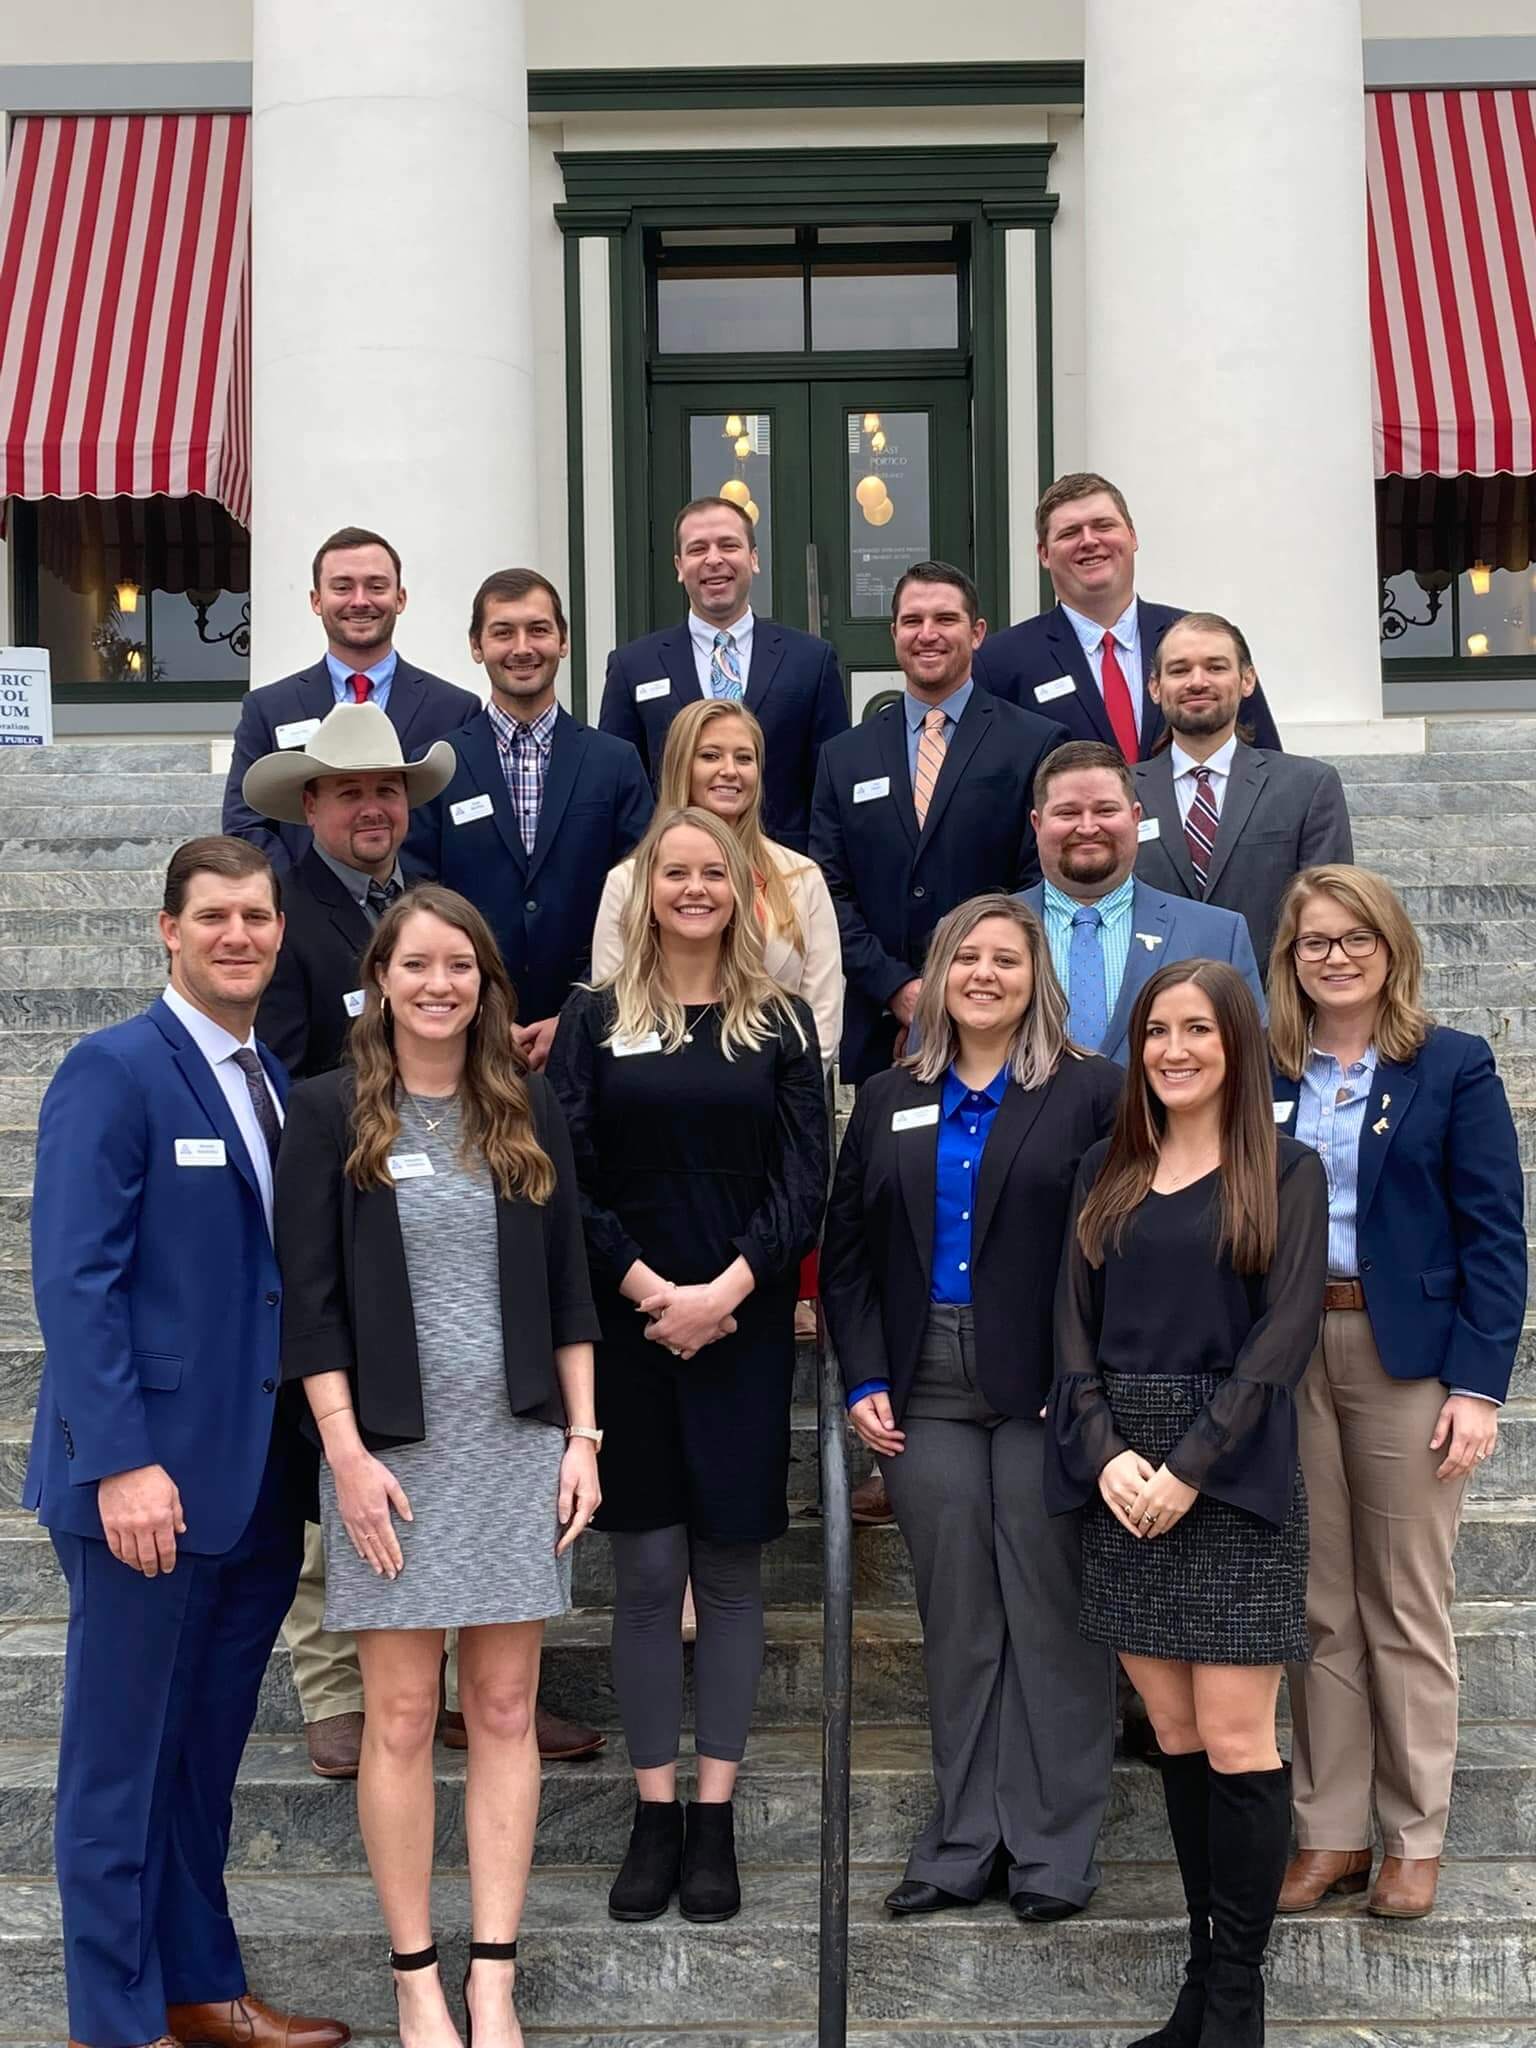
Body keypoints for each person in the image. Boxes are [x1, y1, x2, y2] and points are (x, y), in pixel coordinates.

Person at [23, 836, 349, 2048]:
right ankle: (113, 2021)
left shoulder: (271, 1076)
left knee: (203, 1758)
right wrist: (117, 1460)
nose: (239, 936)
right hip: (142, 1487)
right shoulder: (115, 1070)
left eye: (256, 918)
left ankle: (200, 1985)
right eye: (213, 916)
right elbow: (75, 1281)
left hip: (253, 1484)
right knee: (118, 1770)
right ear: (168, 928)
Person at [274, 884, 603, 2048]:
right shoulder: (326, 1113)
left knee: (506, 1707)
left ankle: (493, 1975)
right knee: (404, 1715)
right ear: (383, 975)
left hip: (515, 1445)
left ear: (484, 980)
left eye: (459, 965)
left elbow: (570, 1289)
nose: (439, 984)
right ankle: (416, 1971)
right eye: (418, 963)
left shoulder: (522, 1105)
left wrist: (583, 1436)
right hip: (391, 1457)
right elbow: (308, 1303)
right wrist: (346, 1452)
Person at [548, 807, 827, 1926]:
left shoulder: (785, 1022)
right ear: (645, 888)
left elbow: (809, 1178)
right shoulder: (592, 1016)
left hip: (743, 1330)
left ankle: (714, 1812)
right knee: (648, 1572)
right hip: (631, 1331)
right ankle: (652, 1807)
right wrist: (651, 1291)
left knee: (733, 1572)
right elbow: (566, 1170)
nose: (697, 887)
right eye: (678, 871)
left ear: (744, 887)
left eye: (717, 870)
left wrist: (725, 1292)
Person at [821, 894, 1121, 1925]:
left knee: (1051, 1615)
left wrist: (1083, 1376)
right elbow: (848, 1254)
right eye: (967, 958)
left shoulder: (1090, 1094)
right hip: (921, 1390)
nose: (985, 973)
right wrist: (861, 1377)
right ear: (940, 974)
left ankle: (1052, 1845)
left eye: (1007, 958)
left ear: (1038, 977)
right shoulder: (886, 1093)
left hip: (1045, 1388)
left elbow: (1116, 1248)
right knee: (959, 1620)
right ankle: (963, 1842)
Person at [1048, 960, 1328, 2048]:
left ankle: (1238, 1999)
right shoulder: (1104, 1171)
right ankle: (1200, 1975)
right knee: (1169, 1727)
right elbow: (1071, 1328)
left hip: (1235, 1469)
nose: (1173, 1048)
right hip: (1124, 1475)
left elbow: (1283, 1339)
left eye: (1198, 1029)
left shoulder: (1286, 1171)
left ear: (1238, 1043)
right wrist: (1107, 1450)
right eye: (1157, 1029)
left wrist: (1192, 1463)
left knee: (1233, 1731)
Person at [1268, 866, 1526, 1923]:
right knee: (1320, 1603)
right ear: (1290, 957)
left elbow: (1496, 1236)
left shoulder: (1450, 1064)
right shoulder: (1269, 1069)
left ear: (1391, 945)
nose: (1335, 955)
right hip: (1288, 1351)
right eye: (1314, 940)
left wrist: (1477, 1384)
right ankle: (1329, 1829)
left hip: (1406, 1355)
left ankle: (1413, 1834)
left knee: (1405, 1600)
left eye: (1354, 937)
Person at [810, 560, 1069, 1086]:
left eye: (945, 619)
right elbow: (827, 890)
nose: (927, 634)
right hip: (881, 1029)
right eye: (912, 621)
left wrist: (967, 980)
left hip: (1001, 1024)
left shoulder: (1034, 743)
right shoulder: (844, 756)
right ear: (894, 635)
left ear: (976, 633)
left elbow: (1039, 882)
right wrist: (898, 987)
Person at [405, 568, 653, 1071]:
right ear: (476, 646)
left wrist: (578, 1012)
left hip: (594, 1035)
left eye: (538, 630)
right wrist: (486, 1015)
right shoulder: (435, 764)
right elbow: (418, 897)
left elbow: (640, 897)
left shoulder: (615, 761)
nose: (522, 647)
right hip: (465, 1036)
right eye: (503, 632)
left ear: (563, 641)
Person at [591, 695, 842, 1073]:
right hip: (655, 1099)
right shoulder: (628, 882)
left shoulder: (800, 877)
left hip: (775, 1105)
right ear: (681, 766)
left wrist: (787, 1093)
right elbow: (612, 1008)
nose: (730, 770)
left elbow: (823, 1008)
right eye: (710, 756)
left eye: (744, 758)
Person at [599, 495, 849, 853]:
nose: (714, 559)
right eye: (698, 549)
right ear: (679, 566)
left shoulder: (810, 660)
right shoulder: (633, 666)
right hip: (674, 878)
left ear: (753, 558)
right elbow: (619, 786)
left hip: (780, 873)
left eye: (728, 545)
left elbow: (829, 786)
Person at [223, 527, 480, 870]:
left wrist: (419, 906)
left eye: (376, 586)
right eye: (342, 587)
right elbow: (245, 824)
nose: (360, 601)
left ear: (400, 598)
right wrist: (300, 897)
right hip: (306, 917)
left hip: (420, 913)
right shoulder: (268, 709)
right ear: (316, 600)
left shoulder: (456, 709)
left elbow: (466, 824)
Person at [972, 474, 1282, 757]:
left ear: (1132, 537)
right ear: (1044, 554)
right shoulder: (999, 663)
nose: (1089, 540)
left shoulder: (1208, 642)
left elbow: (1266, 766)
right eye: (1069, 532)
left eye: (1104, 526)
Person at [1134, 612, 1353, 974]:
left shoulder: (1308, 787)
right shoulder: (1121, 795)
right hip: (1154, 1015)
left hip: (1272, 1014)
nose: (1197, 681)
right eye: (1179, 670)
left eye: (1216, 667)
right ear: (1155, 687)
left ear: (1247, 680)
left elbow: (1330, 913)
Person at [1021, 740, 1264, 1064]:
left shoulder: (1218, 936)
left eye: (1106, 810)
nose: (1088, 827)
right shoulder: (976, 936)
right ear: (1037, 824)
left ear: (1136, 817)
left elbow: (1249, 1067)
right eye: (1068, 812)